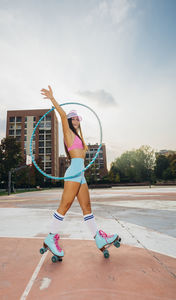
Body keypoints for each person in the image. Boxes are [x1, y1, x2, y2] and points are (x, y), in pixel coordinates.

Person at [40, 85, 119, 258]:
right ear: (69, 121)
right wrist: (53, 99)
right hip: (74, 171)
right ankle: (51, 237)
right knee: (65, 205)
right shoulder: (67, 133)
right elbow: (61, 115)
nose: (76, 120)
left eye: (77, 119)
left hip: (80, 172)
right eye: (73, 118)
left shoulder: (79, 136)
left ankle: (98, 237)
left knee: (87, 207)